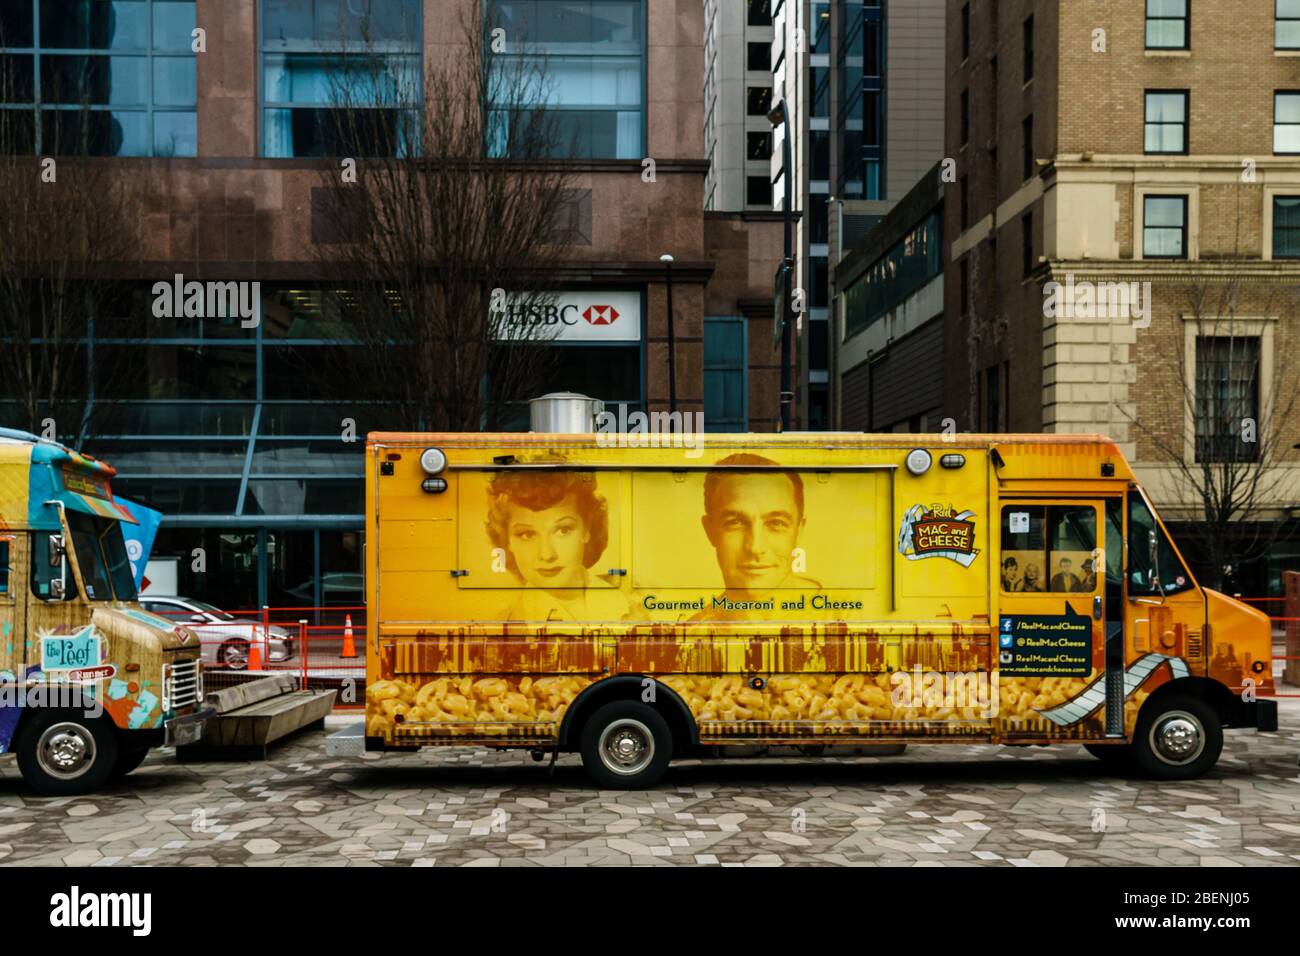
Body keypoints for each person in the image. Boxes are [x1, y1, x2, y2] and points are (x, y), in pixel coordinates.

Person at [484, 470, 638, 622]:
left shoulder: (640, 602)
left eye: (563, 530)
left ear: (587, 530)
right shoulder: (498, 632)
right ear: (508, 542)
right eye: (527, 535)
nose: (547, 554)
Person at [690, 453, 821, 622]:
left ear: (798, 530)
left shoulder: (851, 616)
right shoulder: (688, 637)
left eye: (776, 523)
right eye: (735, 522)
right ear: (710, 531)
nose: (755, 548)